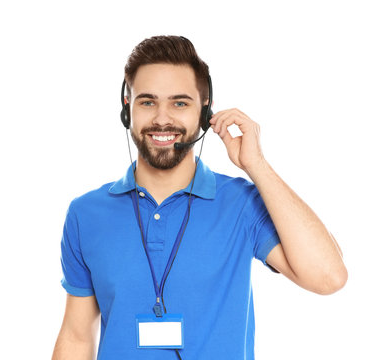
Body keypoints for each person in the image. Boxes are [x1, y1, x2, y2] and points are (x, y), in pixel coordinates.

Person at [52, 35, 347, 360]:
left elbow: (328, 276)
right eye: (147, 101)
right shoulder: (86, 214)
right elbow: (77, 337)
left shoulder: (242, 204)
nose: (162, 118)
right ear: (127, 108)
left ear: (205, 111)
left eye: (180, 103)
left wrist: (256, 165)